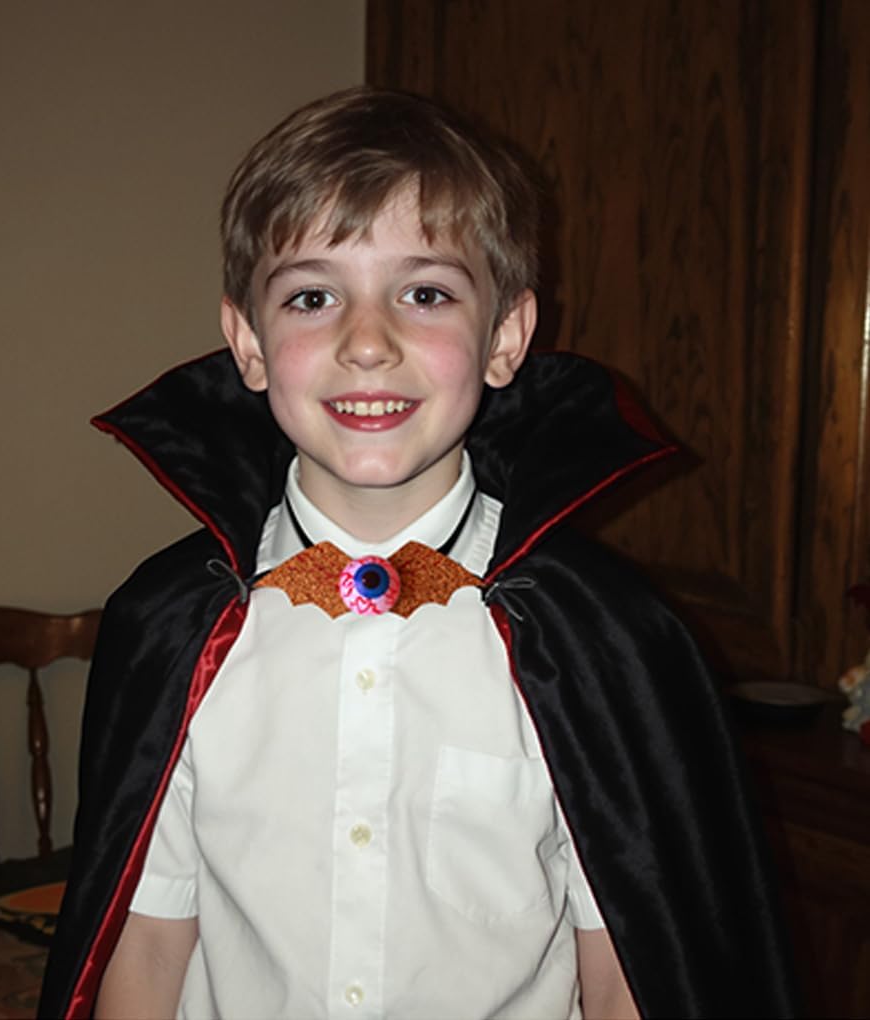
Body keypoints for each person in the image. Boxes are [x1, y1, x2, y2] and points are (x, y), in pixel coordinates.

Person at [39, 87, 796, 1019]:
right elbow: (148, 946)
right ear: (248, 343)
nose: (367, 343)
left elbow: (626, 970)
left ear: (506, 337)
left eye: (425, 293)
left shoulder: (597, 642)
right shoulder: (178, 631)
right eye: (313, 297)